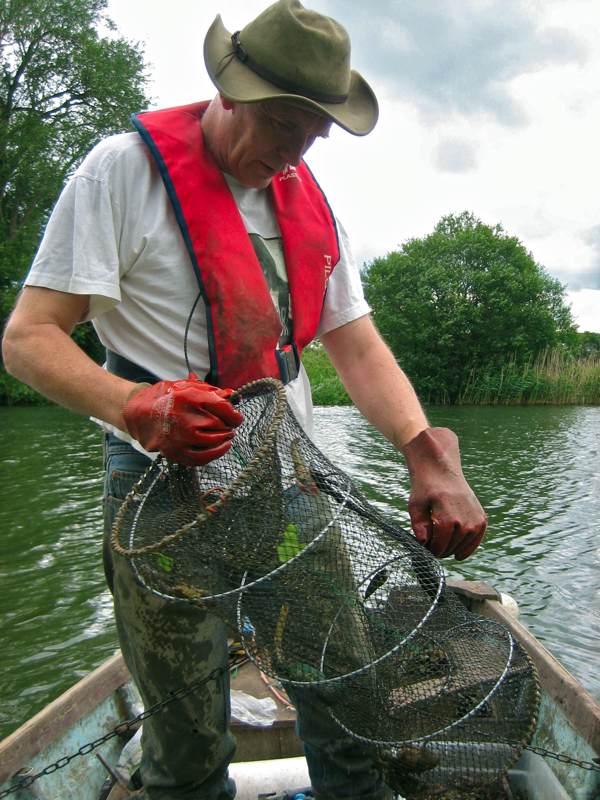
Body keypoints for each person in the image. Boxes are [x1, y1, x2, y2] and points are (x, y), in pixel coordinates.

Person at [2, 1, 487, 798]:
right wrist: (136, 406)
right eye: (282, 124)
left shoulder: (306, 197)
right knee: (187, 741)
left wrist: (425, 451)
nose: (293, 151)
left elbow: (357, 344)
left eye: (313, 133)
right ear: (230, 92)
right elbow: (28, 339)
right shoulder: (120, 173)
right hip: (161, 495)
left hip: (286, 483)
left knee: (348, 689)